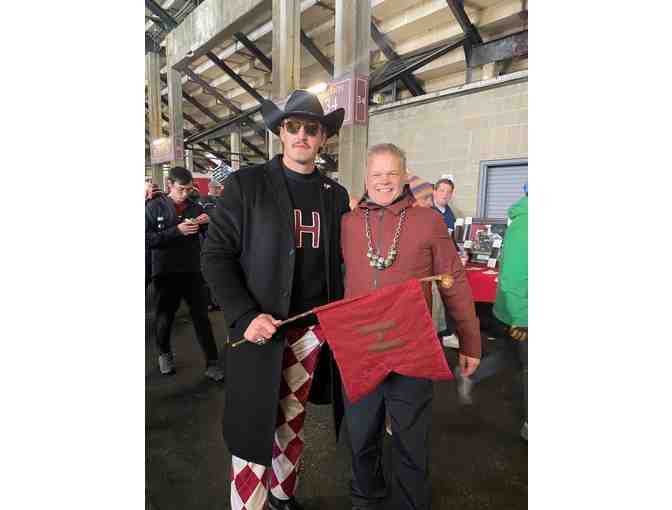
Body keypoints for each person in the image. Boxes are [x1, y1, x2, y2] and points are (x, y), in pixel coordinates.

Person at [201, 89, 349, 510]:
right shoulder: (246, 185)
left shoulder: (334, 195)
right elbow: (215, 256)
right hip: (259, 332)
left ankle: (283, 496)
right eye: (293, 126)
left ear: (323, 138)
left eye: (312, 129)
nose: (302, 135)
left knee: (292, 420)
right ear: (281, 133)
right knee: (253, 428)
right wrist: (245, 314)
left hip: (311, 334)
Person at [340, 143, 481, 510]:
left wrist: (470, 341)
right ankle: (365, 498)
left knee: (411, 441)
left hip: (411, 351)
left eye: (391, 173)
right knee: (361, 436)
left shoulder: (427, 221)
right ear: (366, 178)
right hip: (361, 351)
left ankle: (411, 503)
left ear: (404, 176)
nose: (384, 180)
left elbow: (453, 280)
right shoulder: (349, 223)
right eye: (376, 174)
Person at [457, 184, 528, 441]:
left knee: (511, 356)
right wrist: (522, 319)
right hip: (523, 314)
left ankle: (471, 374)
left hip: (519, 311)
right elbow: (513, 277)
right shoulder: (526, 224)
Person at [145, 166, 224, 382]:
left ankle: (212, 362)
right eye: (181, 189)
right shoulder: (153, 208)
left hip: (192, 270)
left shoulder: (195, 208)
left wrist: (209, 221)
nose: (185, 193)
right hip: (165, 272)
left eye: (189, 189)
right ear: (169, 185)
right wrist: (176, 231)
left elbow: (211, 236)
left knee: (201, 318)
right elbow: (147, 239)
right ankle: (164, 354)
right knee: (164, 317)